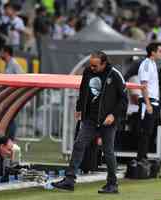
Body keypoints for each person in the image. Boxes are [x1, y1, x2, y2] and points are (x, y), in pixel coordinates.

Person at [52, 51, 128, 194]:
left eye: (95, 66)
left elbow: (124, 100)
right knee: (79, 144)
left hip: (108, 121)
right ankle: (69, 180)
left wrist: (113, 115)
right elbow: (83, 91)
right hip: (90, 119)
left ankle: (113, 184)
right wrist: (79, 108)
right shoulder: (87, 72)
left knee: (108, 151)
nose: (91, 68)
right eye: (90, 65)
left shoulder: (115, 75)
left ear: (104, 63)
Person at [136, 42, 161, 162]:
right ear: (153, 52)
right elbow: (144, 85)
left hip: (155, 101)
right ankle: (141, 157)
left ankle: (145, 156)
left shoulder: (153, 64)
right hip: (148, 102)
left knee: (151, 132)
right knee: (145, 132)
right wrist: (147, 103)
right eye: (160, 51)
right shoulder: (146, 64)